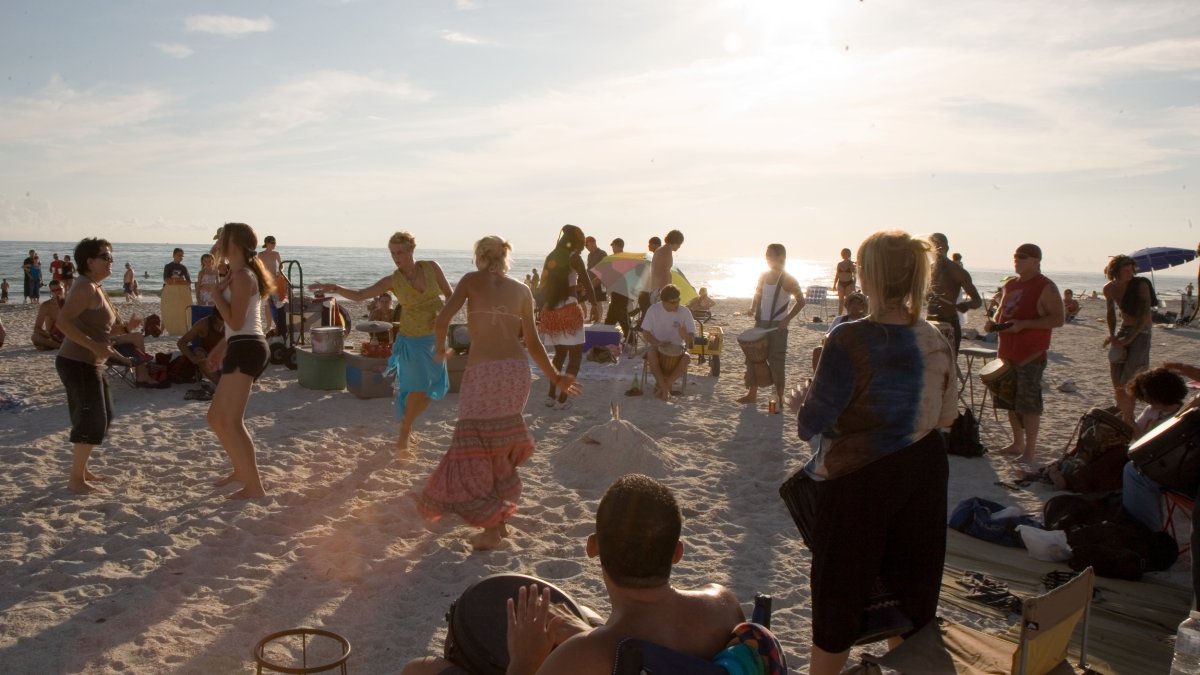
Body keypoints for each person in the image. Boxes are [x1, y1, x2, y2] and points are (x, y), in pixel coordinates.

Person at [795, 230, 957, 674]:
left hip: (860, 478)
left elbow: (811, 423)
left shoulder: (850, 339)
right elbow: (945, 417)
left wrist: (800, 403)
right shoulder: (936, 338)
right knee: (912, 596)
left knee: (839, 597)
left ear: (868, 275)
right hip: (924, 473)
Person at [402, 474, 745, 675]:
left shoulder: (580, 658)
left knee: (419, 670)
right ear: (677, 553)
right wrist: (592, 631)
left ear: (592, 547)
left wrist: (523, 661)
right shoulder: (723, 607)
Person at [419, 236, 581, 550]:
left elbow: (442, 320)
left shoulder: (470, 280)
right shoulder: (522, 290)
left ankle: (492, 529)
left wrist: (441, 350)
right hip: (516, 373)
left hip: (483, 373)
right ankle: (499, 523)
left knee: (475, 449)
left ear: (479, 256)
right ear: (506, 258)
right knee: (500, 448)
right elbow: (533, 344)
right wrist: (555, 377)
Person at [309, 231, 453, 455]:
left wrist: (443, 314)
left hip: (435, 339)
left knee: (431, 390)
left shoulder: (432, 268)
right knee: (417, 388)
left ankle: (407, 425)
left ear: (411, 250)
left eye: (401, 252)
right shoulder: (392, 281)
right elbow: (359, 295)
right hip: (411, 340)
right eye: (393, 253)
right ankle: (404, 433)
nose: (396, 257)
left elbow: (450, 295)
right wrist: (334, 287)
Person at [54, 238, 130, 494]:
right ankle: (76, 480)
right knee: (91, 420)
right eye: (106, 257)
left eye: (111, 256)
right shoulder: (84, 287)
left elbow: (102, 328)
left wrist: (128, 327)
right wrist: (95, 347)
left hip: (90, 363)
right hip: (76, 362)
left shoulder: (96, 287)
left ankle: (82, 470)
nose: (111, 261)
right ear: (90, 262)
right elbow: (63, 323)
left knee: (104, 416)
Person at [208, 223, 274, 499]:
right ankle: (240, 470)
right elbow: (240, 323)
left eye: (222, 238)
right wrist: (221, 346)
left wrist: (214, 296)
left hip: (248, 347)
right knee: (215, 417)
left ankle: (254, 486)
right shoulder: (237, 273)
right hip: (241, 344)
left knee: (232, 421)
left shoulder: (244, 276)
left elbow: (236, 320)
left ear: (233, 243)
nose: (218, 241)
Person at [985, 243, 1065, 465]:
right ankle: (1017, 442)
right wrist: (992, 324)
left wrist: (1024, 325)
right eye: (1015, 257)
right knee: (1009, 401)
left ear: (1036, 260)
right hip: (1007, 352)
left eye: (1022, 257)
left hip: (1031, 354)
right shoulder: (1010, 285)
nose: (1016, 260)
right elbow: (1001, 313)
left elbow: (1058, 319)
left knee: (1029, 404)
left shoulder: (1046, 286)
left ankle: (1030, 449)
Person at [538, 224, 599, 410]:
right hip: (570, 312)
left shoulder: (551, 256)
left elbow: (543, 286)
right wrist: (594, 304)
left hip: (552, 312)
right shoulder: (574, 257)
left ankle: (550, 395)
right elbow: (587, 283)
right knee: (574, 358)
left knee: (559, 354)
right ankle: (563, 398)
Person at [737, 244, 805, 410]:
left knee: (776, 361)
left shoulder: (788, 278)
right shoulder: (763, 275)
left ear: (781, 257)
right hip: (761, 323)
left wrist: (787, 319)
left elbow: (801, 301)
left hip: (777, 326)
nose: (767, 258)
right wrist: (753, 308)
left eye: (771, 255)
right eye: (766, 255)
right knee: (753, 358)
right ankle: (752, 395)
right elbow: (758, 293)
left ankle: (779, 399)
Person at [1103, 254, 1155, 426]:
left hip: (1142, 331)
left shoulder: (1140, 284)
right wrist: (1113, 335)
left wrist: (1129, 339)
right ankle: (1121, 411)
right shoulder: (1109, 288)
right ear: (1115, 271)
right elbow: (1110, 312)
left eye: (1131, 270)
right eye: (1125, 271)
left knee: (1130, 378)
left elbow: (1145, 314)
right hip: (1124, 328)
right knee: (1116, 375)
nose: (1129, 274)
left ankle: (1127, 418)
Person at [926, 232, 982, 353]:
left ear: (947, 248)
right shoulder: (927, 270)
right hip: (929, 322)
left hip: (949, 323)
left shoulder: (958, 271)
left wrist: (966, 305)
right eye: (932, 246)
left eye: (939, 246)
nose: (936, 250)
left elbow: (977, 301)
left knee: (949, 367)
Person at [640, 284, 696, 401]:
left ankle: (665, 386)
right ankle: (665, 387)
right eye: (673, 302)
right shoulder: (654, 310)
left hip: (677, 347)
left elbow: (691, 337)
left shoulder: (685, 312)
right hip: (657, 345)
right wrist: (657, 343)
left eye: (678, 301)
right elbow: (646, 333)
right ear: (663, 301)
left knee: (686, 358)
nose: (676, 305)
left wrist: (685, 335)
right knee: (651, 353)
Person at [811, 291, 868, 370]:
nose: (855, 306)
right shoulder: (840, 319)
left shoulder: (868, 321)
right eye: (852, 303)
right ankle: (816, 380)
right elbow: (826, 338)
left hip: (859, 351)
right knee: (818, 350)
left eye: (859, 303)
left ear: (864, 307)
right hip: (839, 349)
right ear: (847, 306)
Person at [177, 311, 226, 385]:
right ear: (215, 317)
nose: (223, 324)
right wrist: (192, 357)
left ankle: (225, 384)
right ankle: (221, 385)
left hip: (226, 357)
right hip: (208, 357)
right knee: (199, 353)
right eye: (221, 321)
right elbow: (181, 342)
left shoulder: (234, 323)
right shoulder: (204, 323)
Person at [603, 237, 633, 340]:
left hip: (621, 292)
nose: (612, 247)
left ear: (617, 245)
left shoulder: (619, 259)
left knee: (621, 318)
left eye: (613, 245)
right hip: (619, 292)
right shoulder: (625, 259)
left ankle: (631, 340)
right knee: (614, 318)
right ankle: (608, 338)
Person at [258, 235, 287, 335]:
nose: (274, 245)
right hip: (265, 280)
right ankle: (269, 325)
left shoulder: (276, 254)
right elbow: (259, 268)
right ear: (267, 243)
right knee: (266, 303)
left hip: (275, 279)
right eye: (272, 243)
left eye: (275, 243)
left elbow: (282, 265)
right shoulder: (260, 254)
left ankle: (277, 323)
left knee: (276, 301)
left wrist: (281, 271)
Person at [161, 247, 192, 336]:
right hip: (170, 291)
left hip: (181, 292)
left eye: (182, 256)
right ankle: (166, 329)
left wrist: (175, 281)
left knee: (181, 311)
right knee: (169, 310)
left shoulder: (183, 267)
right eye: (179, 255)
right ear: (173, 255)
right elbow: (166, 280)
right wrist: (179, 280)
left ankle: (181, 329)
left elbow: (188, 281)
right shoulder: (168, 266)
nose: (181, 257)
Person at [648, 230, 683, 304]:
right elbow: (666, 272)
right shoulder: (667, 251)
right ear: (676, 242)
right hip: (661, 290)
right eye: (680, 244)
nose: (680, 246)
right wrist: (670, 289)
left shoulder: (660, 249)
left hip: (654, 289)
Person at [31, 280, 66, 350]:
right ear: (51, 292)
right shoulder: (46, 306)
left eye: (59, 289)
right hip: (53, 336)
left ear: (64, 289)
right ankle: (59, 346)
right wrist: (50, 335)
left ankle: (55, 346)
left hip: (69, 335)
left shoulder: (71, 303)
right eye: (54, 290)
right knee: (35, 337)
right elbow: (37, 328)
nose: (57, 292)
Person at [833, 247, 856, 314]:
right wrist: (834, 285)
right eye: (844, 253)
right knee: (841, 301)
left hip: (849, 283)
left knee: (849, 301)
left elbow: (854, 274)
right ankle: (839, 316)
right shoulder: (839, 264)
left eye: (848, 253)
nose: (846, 255)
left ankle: (849, 315)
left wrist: (851, 264)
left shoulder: (851, 264)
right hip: (841, 283)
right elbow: (837, 275)